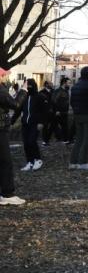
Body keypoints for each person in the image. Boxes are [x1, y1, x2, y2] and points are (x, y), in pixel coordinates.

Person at [0, 72, 28, 206]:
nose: (6, 77)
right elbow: (16, 104)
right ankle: (7, 194)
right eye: (4, 75)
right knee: (5, 162)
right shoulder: (1, 90)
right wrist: (23, 91)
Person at [68, 67, 88, 170]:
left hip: (77, 115)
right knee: (87, 138)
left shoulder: (75, 85)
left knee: (79, 139)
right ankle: (82, 162)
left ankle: (73, 162)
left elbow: (71, 101)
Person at [13, 80, 45, 171]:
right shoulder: (25, 97)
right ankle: (30, 162)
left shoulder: (40, 97)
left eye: (30, 86)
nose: (28, 88)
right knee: (26, 144)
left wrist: (41, 122)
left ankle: (38, 160)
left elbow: (45, 111)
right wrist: (12, 121)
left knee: (32, 141)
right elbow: (18, 111)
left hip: (35, 124)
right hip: (25, 124)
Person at [50, 78, 71, 144]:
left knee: (64, 126)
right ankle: (46, 140)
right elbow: (54, 100)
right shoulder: (58, 91)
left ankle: (64, 139)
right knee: (54, 125)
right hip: (59, 112)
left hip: (64, 111)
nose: (69, 84)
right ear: (64, 83)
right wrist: (56, 110)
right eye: (68, 83)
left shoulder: (66, 91)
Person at [39, 81, 53, 146]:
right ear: (46, 84)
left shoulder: (53, 91)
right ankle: (45, 140)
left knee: (52, 126)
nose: (52, 84)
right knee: (45, 126)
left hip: (53, 112)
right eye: (50, 83)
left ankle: (47, 139)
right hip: (44, 112)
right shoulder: (41, 92)